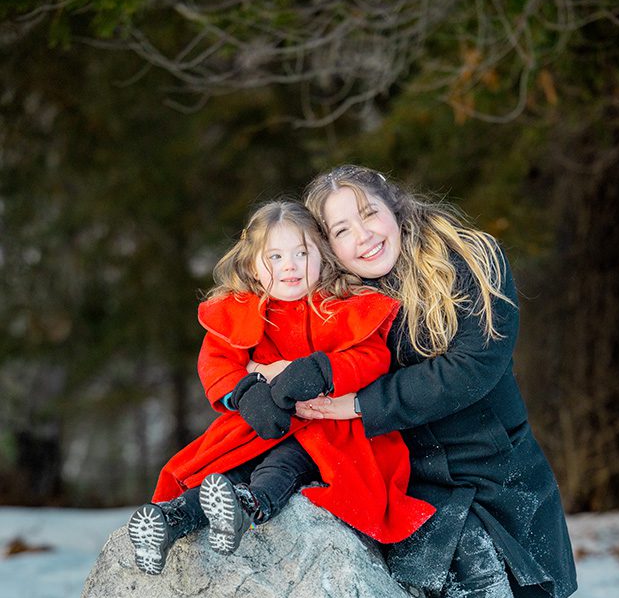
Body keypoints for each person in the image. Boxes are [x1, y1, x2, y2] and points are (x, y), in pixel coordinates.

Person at [275, 165, 577, 598]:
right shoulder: (336, 307)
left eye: (368, 213)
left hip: (501, 467)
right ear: (328, 247)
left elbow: (474, 365)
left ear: (394, 205)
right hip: (413, 477)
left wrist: (362, 403)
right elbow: (263, 336)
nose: (362, 235)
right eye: (340, 229)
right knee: (470, 559)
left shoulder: (471, 258)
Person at [128, 199, 435, 576]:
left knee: (283, 462)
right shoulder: (241, 309)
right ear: (253, 267)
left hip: (328, 428)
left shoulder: (344, 305)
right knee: (229, 465)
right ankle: (170, 520)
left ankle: (250, 505)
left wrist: (323, 370)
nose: (289, 266)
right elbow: (217, 361)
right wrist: (244, 393)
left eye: (301, 253)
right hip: (260, 423)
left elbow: (371, 357)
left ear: (322, 256)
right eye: (274, 257)